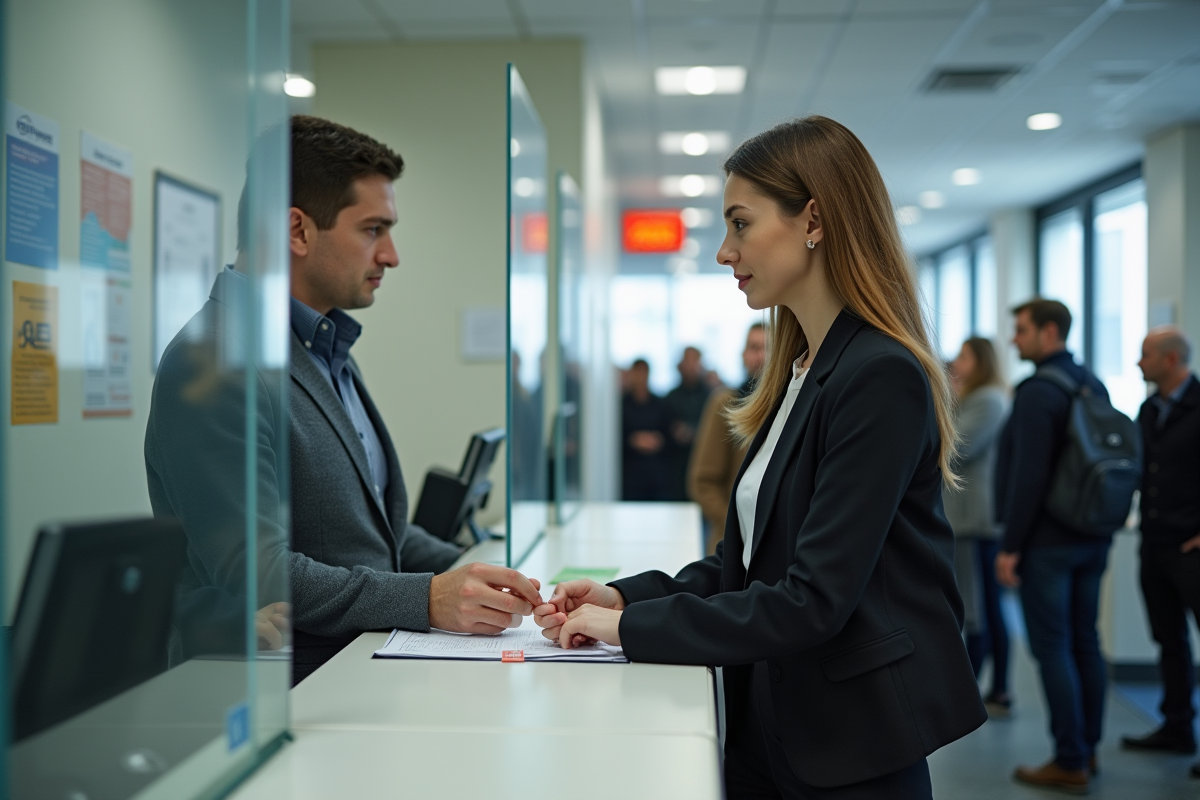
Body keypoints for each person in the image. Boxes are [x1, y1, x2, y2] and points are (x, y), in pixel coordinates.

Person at [535, 116, 985, 799]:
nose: (724, 251)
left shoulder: (878, 376)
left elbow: (813, 599)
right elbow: (749, 564)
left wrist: (629, 628)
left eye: (740, 224)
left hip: (848, 745)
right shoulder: (800, 369)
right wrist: (625, 594)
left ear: (814, 220)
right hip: (771, 724)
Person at [146, 116, 542, 684]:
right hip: (285, 688)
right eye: (373, 230)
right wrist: (428, 597)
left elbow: (365, 530)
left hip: (354, 669)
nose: (391, 255)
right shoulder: (215, 363)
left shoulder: (320, 346)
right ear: (298, 232)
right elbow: (259, 575)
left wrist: (476, 574)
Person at [994, 298, 1112, 793]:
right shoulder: (1092, 382)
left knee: (1054, 648)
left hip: (1048, 542)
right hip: (1093, 535)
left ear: (1048, 332)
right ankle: (1088, 749)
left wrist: (1010, 545)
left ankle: (1068, 759)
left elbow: (1029, 477)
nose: (1014, 339)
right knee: (1086, 641)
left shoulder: (1037, 392)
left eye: (1021, 330)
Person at [1121, 326, 1200, 778]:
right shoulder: (1149, 410)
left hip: (1191, 548)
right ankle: (1177, 727)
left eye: (1145, 355)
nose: (1138, 363)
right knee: (1168, 640)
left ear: (1171, 360)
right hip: (1155, 543)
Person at [945, 337, 1011, 717]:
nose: (957, 361)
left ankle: (986, 686)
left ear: (982, 361)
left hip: (975, 519)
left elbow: (958, 446)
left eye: (965, 356)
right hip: (969, 517)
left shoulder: (988, 399)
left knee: (981, 607)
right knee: (982, 604)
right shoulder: (976, 396)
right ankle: (988, 686)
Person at [688, 322, 766, 554]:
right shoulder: (726, 403)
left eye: (767, 347)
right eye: (754, 347)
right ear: (743, 355)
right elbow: (702, 481)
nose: (760, 356)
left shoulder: (791, 404)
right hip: (730, 545)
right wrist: (734, 523)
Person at [663, 346, 713, 500]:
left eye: (695, 361)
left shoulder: (711, 396)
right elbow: (665, 430)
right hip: (676, 468)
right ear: (680, 365)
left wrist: (694, 432)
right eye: (688, 361)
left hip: (706, 466)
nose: (691, 366)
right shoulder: (670, 397)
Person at [621, 358, 672, 501]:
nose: (640, 377)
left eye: (644, 372)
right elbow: (614, 438)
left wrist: (656, 440)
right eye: (637, 372)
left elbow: (669, 435)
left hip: (656, 476)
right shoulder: (621, 405)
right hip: (630, 477)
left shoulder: (660, 404)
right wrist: (634, 440)